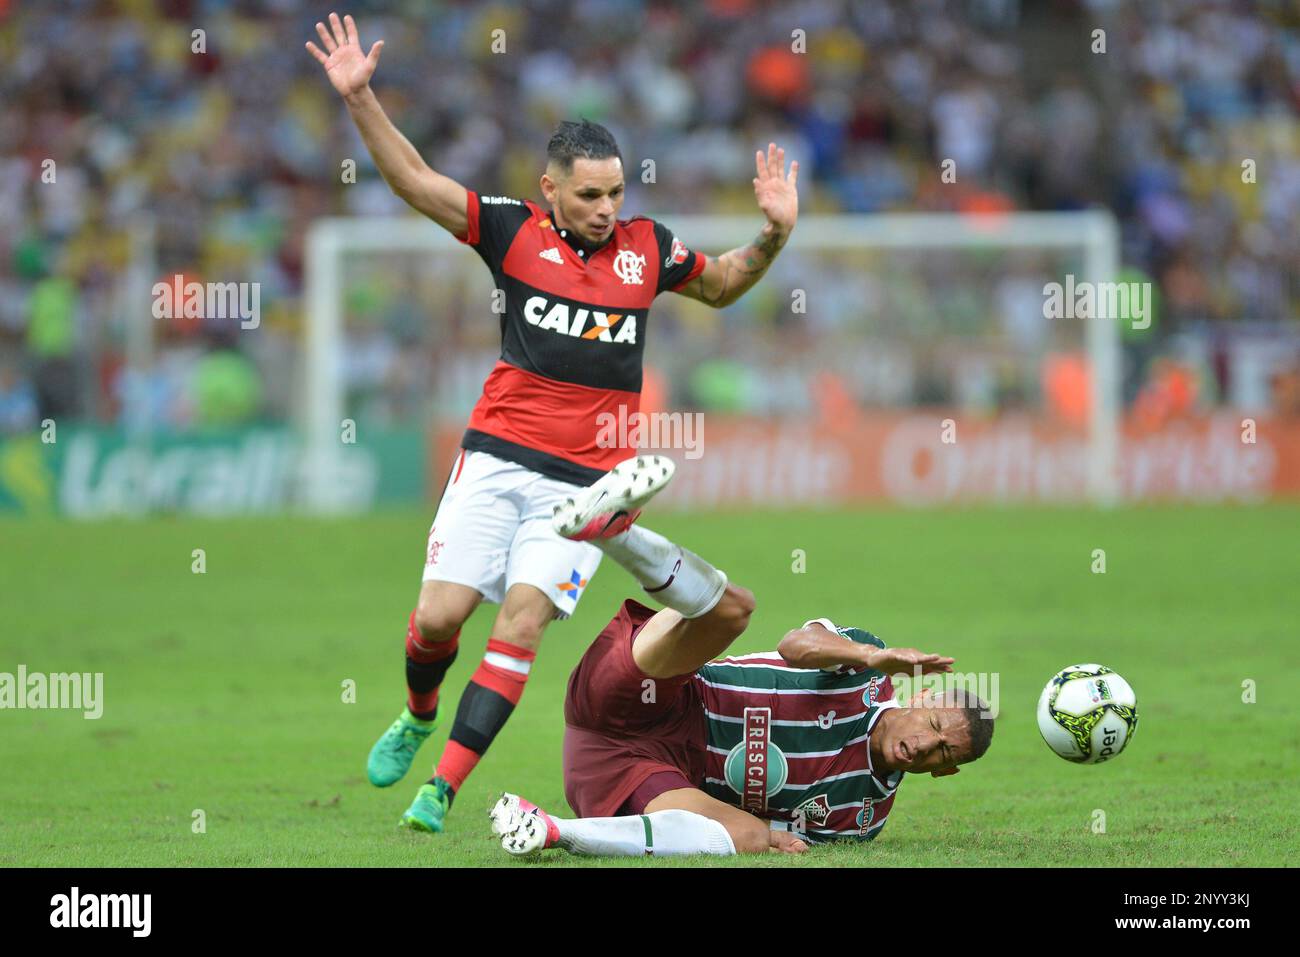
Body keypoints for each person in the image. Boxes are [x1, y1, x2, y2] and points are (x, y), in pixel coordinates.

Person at [305, 13, 800, 833]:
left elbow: (720, 284)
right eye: (591, 194)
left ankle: (443, 788)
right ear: (552, 190)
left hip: (586, 491)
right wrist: (360, 98)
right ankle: (420, 710)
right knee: (436, 619)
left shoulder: (650, 248)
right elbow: (416, 181)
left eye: (616, 192)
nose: (608, 208)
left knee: (523, 622)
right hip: (496, 459)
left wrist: (773, 235)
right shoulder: (512, 232)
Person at [488, 459, 994, 857]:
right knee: (735, 610)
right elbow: (796, 645)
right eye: (932, 723)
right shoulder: (864, 672)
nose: (925, 744)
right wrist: (872, 655)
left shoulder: (863, 818)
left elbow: (778, 836)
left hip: (646, 776)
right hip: (658, 694)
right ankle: (615, 532)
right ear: (922, 693)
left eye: (944, 752)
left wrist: (766, 834)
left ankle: (550, 830)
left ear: (945, 772)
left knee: (748, 840)